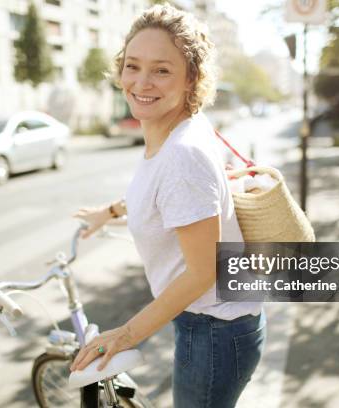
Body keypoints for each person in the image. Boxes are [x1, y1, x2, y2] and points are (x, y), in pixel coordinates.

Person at [70, 4, 265, 407]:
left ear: (191, 78)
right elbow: (167, 198)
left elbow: (201, 272)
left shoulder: (182, 153)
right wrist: (108, 212)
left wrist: (122, 335)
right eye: (132, 65)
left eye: (162, 70)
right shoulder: (179, 130)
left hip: (214, 330)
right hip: (214, 324)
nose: (141, 82)